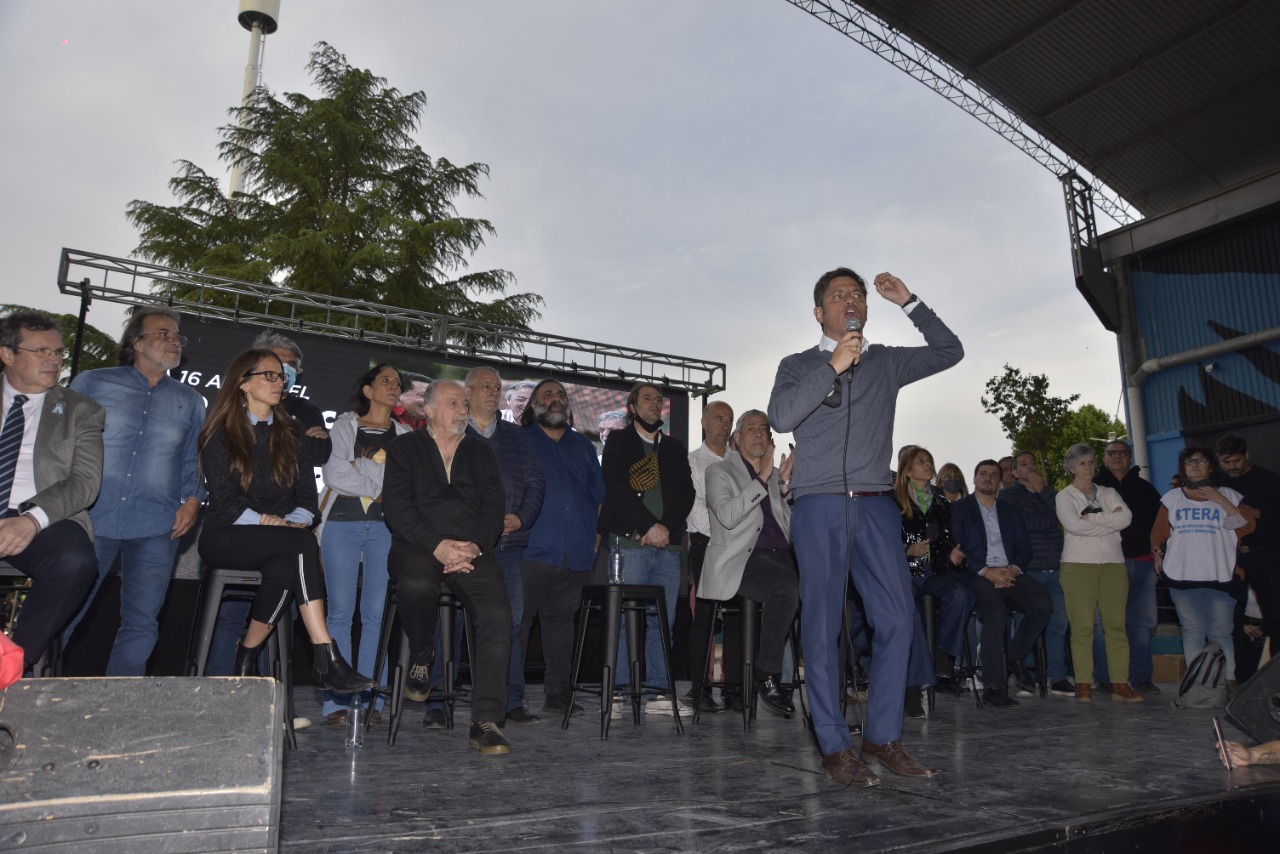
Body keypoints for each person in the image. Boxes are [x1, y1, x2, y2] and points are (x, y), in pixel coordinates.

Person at [768, 267, 960, 788]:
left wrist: (911, 302)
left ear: (867, 308)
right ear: (819, 312)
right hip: (819, 505)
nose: (850, 300)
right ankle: (834, 745)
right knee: (823, 627)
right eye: (838, 295)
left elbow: (950, 351)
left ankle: (882, 737)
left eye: (857, 294)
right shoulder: (797, 364)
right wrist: (833, 364)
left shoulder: (887, 362)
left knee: (897, 619)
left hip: (876, 505)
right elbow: (781, 417)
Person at [196, 348, 373, 695]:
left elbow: (307, 495)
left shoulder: (291, 433)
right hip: (226, 536)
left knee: (285, 567)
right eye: (270, 375)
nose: (280, 382)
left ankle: (246, 654)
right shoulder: (220, 431)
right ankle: (326, 655)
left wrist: (291, 522)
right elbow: (224, 502)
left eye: (282, 376)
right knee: (302, 543)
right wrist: (268, 522)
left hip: (281, 538)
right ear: (244, 383)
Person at [63, 306, 204, 675]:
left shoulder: (190, 401)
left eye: (177, 337)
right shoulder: (92, 383)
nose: (174, 341)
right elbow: (60, 443)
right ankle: (29, 690)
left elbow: (192, 459)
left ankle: (120, 703)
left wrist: (192, 501)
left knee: (142, 622)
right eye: (163, 334)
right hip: (91, 518)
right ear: (137, 343)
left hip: (156, 525)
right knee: (65, 610)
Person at [381, 380, 513, 755]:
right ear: (429, 410)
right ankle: (422, 656)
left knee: (498, 614)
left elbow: (494, 507)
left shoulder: (481, 452)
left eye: (464, 404)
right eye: (453, 402)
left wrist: (476, 544)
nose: (462, 409)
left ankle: (485, 721)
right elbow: (397, 507)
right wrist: (437, 546)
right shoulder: (405, 448)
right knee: (415, 585)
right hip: (418, 545)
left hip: (472, 551)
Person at [0, 311, 101, 670]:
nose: (53, 360)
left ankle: (12, 665)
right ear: (7, 354)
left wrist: (30, 520)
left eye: (58, 352)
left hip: (44, 517)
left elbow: (85, 482)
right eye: (41, 351)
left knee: (75, 562)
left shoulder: (80, 410)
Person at [317, 364, 411, 725]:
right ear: (368, 390)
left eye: (397, 382)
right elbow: (334, 474)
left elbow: (405, 483)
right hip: (341, 525)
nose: (393, 385)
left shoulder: (406, 436)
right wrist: (380, 486)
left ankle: (371, 701)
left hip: (386, 528)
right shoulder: (344, 426)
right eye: (385, 380)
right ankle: (337, 702)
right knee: (339, 613)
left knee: (375, 615)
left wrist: (360, 467)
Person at [598, 382, 695, 715]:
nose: (655, 403)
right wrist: (647, 527)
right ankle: (617, 691)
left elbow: (686, 494)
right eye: (648, 398)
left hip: (667, 548)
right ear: (632, 407)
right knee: (624, 619)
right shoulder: (618, 441)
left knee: (662, 621)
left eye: (659, 399)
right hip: (629, 544)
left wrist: (664, 528)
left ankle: (658, 693)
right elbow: (617, 488)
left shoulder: (674, 448)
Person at [459, 366, 544, 725]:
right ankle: (437, 700)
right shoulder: (454, 430)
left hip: (508, 545)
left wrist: (521, 518)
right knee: (450, 621)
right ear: (467, 392)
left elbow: (535, 482)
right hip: (462, 546)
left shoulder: (516, 436)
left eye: (497, 387)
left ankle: (511, 700)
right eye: (486, 386)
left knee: (512, 621)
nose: (493, 391)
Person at [700, 410, 799, 715]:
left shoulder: (775, 475)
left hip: (782, 557)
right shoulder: (719, 471)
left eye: (763, 429)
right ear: (737, 437)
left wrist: (785, 488)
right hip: (741, 560)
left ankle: (831, 692)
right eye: (751, 428)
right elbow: (727, 516)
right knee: (784, 586)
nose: (758, 434)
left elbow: (792, 528)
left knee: (831, 589)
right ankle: (766, 673)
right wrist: (762, 479)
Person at [519, 379, 604, 717]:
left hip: (576, 552)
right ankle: (511, 697)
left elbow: (598, 495)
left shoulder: (583, 445)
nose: (556, 399)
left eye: (561, 395)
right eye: (548, 394)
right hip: (531, 548)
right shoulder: (520, 441)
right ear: (534, 405)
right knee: (519, 624)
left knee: (561, 625)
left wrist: (596, 532)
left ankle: (557, 693)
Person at [1150, 446, 1252, 694]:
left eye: (1201, 460)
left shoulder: (1230, 495)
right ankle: (1197, 684)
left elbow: (1246, 527)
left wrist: (1220, 500)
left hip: (1220, 576)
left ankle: (1228, 681)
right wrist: (1157, 554)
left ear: (1211, 466)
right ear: (1183, 468)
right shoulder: (1172, 498)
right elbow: (1158, 534)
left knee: (1221, 632)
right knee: (1192, 630)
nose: (1195, 465)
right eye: (1189, 461)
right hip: (1183, 577)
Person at [950, 460, 1052, 708]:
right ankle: (994, 686)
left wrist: (1013, 570)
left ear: (999, 481)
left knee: (1043, 604)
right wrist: (987, 572)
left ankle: (1015, 656)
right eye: (983, 473)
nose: (988, 478)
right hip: (975, 575)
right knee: (996, 613)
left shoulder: (1011, 511)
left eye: (993, 475)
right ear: (974, 479)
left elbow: (1025, 548)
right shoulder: (958, 509)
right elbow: (957, 547)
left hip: (1010, 572)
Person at [1055, 443, 1141, 703]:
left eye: (1091, 462)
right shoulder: (1064, 496)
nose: (1088, 467)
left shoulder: (1109, 492)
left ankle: (1120, 683)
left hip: (1113, 564)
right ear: (1071, 468)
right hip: (1078, 565)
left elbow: (1126, 519)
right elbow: (1073, 526)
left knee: (1116, 626)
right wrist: (1109, 521)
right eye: (1082, 463)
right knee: (1082, 627)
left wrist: (1090, 519)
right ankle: (1083, 683)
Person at [895, 445, 973, 713]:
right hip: (904, 574)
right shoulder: (893, 500)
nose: (928, 465)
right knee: (913, 618)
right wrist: (907, 550)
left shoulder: (940, 503)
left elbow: (947, 539)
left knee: (962, 594)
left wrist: (951, 553)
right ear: (907, 471)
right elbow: (883, 539)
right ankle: (912, 692)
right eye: (921, 461)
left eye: (929, 460)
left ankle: (943, 655)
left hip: (934, 571)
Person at [1091, 440, 1164, 694]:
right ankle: (1103, 677)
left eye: (1122, 453)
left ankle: (1141, 677)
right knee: (1102, 625)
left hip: (1142, 565)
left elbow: (1160, 529)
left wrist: (1158, 554)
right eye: (1111, 453)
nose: (1117, 457)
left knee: (1141, 624)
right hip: (1105, 565)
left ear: (1130, 459)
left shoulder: (1147, 490)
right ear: (1104, 459)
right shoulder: (1092, 489)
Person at [999, 450, 1072, 696]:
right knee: (1027, 621)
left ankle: (1057, 677)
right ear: (1014, 472)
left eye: (1032, 463)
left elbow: (1063, 516)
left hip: (1057, 567)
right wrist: (1050, 518)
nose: (1030, 467)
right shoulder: (1008, 495)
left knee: (1059, 623)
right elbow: (1025, 523)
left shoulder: (1049, 494)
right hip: (1029, 569)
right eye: (1023, 464)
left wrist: (1044, 492)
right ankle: (1026, 675)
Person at [685, 400, 735, 714]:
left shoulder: (739, 461)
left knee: (737, 616)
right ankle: (699, 689)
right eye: (718, 418)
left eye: (729, 419)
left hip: (738, 546)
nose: (724, 425)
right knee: (704, 618)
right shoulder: (692, 461)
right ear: (703, 422)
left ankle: (734, 688)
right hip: (707, 543)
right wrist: (728, 530)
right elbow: (695, 508)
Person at [1216, 435, 1280, 666]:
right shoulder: (1216, 485)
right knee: (1230, 619)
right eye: (1226, 462)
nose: (1232, 466)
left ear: (1247, 455)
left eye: (1236, 460)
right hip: (1229, 558)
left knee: (1275, 616)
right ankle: (1240, 676)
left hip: (1266, 554)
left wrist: (1258, 514)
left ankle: (1275, 675)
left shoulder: (1270, 480)